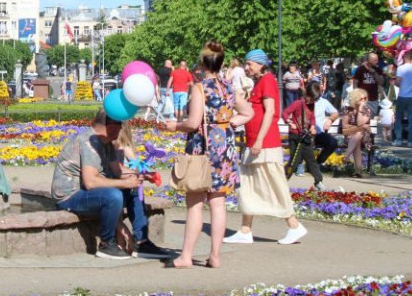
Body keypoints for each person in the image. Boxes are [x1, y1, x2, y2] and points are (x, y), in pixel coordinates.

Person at [163, 41, 252, 268]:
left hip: (203, 147)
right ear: (221, 63)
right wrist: (231, 122)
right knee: (218, 204)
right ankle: (215, 256)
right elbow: (248, 112)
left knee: (195, 203)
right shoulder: (228, 87)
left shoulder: (200, 87)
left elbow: (193, 123)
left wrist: (175, 126)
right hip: (225, 147)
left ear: (203, 63)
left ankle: (185, 256)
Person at [225, 49, 308, 246]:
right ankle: (246, 229)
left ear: (261, 64)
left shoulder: (268, 80)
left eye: (250, 64)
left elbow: (270, 112)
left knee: (273, 184)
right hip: (255, 141)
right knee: (247, 184)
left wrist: (260, 140)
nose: (247, 67)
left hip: (265, 144)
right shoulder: (259, 82)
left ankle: (294, 225)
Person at [50, 109, 144, 260]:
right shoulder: (89, 142)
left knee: (133, 189)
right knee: (114, 196)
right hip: (70, 196)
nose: (120, 132)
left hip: (86, 193)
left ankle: (141, 239)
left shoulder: (105, 142)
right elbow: (90, 182)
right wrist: (125, 183)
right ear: (111, 127)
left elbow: (117, 170)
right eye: (120, 127)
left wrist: (137, 176)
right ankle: (107, 244)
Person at [109, 122, 173, 259]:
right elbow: (135, 167)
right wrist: (139, 173)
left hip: (115, 186)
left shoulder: (112, 145)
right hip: (117, 187)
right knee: (134, 194)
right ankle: (140, 240)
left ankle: (122, 242)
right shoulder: (124, 146)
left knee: (126, 198)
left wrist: (143, 173)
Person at [394, 51, 412, 147]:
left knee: (398, 118)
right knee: (411, 119)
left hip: (402, 95)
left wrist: (396, 83)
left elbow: (398, 82)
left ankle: (399, 139)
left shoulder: (400, 68)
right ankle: (410, 141)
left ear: (404, 58)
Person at [341, 88, 373, 178]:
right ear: (355, 99)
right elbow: (345, 126)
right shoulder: (347, 110)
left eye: (365, 98)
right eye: (361, 99)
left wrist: (359, 110)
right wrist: (359, 128)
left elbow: (360, 123)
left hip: (365, 138)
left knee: (359, 134)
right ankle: (359, 170)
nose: (364, 101)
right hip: (351, 136)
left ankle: (347, 155)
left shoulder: (367, 110)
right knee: (357, 140)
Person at [353, 52, 382, 118]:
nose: (377, 62)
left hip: (373, 98)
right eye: (375, 60)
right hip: (363, 99)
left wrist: (374, 72)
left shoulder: (378, 69)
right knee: (363, 117)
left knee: (372, 117)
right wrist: (356, 95)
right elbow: (355, 82)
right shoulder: (360, 69)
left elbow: (381, 82)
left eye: (377, 60)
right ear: (369, 60)